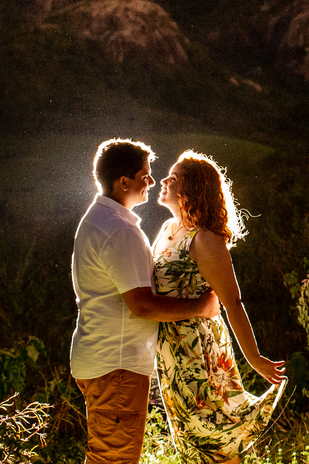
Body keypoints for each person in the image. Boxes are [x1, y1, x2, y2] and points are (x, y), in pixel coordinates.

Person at [71, 138, 222, 464]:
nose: (151, 182)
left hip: (102, 358)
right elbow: (142, 304)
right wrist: (200, 306)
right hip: (116, 364)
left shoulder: (99, 219)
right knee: (114, 460)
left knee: (105, 457)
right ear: (123, 181)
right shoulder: (119, 231)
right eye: (144, 175)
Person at [151, 150, 286, 464]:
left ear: (191, 188)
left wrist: (254, 358)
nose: (164, 181)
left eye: (174, 177)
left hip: (199, 355)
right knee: (192, 446)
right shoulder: (167, 231)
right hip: (171, 357)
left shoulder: (205, 240)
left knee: (214, 443)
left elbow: (232, 302)